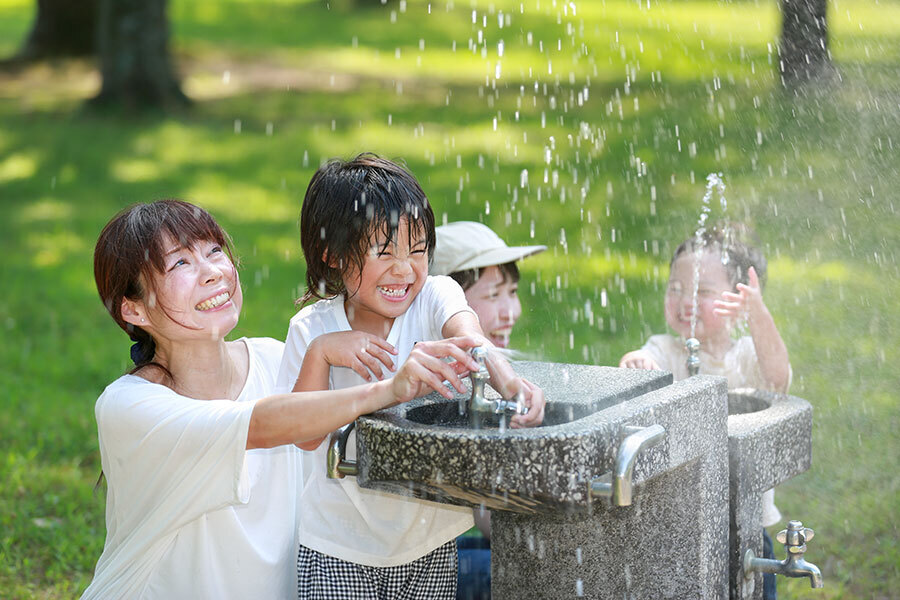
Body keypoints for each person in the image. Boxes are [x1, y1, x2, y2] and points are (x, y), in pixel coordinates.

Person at [82, 199, 481, 599]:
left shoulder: (275, 360)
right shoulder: (129, 407)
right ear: (133, 310)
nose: (213, 273)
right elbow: (264, 424)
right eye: (181, 264)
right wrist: (387, 389)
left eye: (214, 251)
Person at [276, 154, 546, 600]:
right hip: (336, 545)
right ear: (333, 255)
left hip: (429, 542)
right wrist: (322, 355)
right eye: (384, 252)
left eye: (417, 251)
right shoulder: (313, 330)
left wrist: (509, 381)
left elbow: (470, 334)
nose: (405, 269)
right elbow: (302, 437)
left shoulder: (434, 295)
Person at [619, 220, 789, 600]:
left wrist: (758, 314)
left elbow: (777, 379)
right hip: (679, 522)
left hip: (745, 523)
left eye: (703, 291)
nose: (685, 302)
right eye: (675, 289)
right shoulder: (665, 349)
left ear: (737, 300)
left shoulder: (746, 356)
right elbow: (641, 359)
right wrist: (634, 361)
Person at [430, 221, 546, 600]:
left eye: (511, 292)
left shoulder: (500, 378)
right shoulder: (439, 390)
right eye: (493, 295)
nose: (510, 311)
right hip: (423, 561)